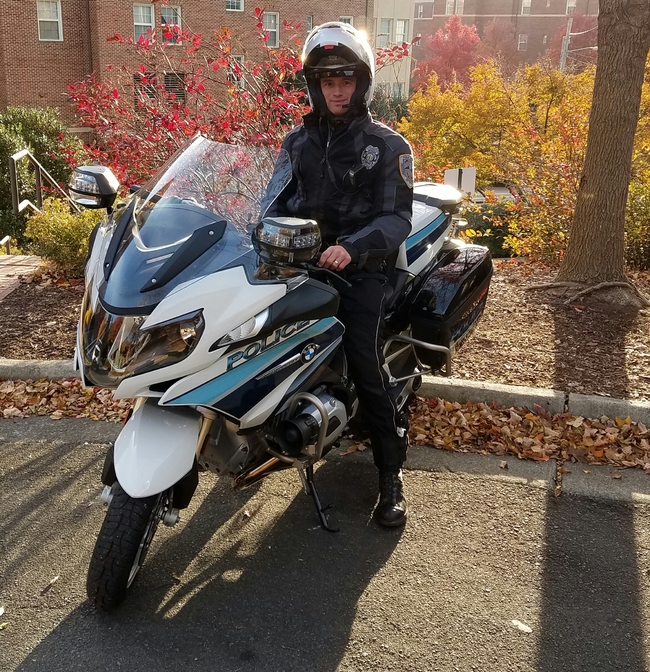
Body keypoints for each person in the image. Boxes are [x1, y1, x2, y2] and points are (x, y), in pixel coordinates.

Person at [265, 22, 414, 527]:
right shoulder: (295, 142)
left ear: (362, 82)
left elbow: (396, 218)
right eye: (327, 80)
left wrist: (350, 248)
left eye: (346, 79)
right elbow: (271, 202)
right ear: (314, 85)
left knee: (365, 364)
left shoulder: (388, 145)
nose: (336, 89)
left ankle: (390, 475)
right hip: (298, 265)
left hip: (363, 271)